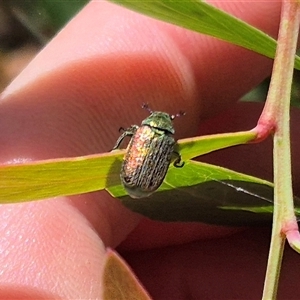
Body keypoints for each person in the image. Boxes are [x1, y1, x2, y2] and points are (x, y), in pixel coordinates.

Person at [1, 1, 299, 299]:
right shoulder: (166, 141)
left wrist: (119, 150)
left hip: (134, 175)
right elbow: (171, 158)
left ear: (147, 122)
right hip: (143, 178)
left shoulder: (142, 132)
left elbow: (141, 147)